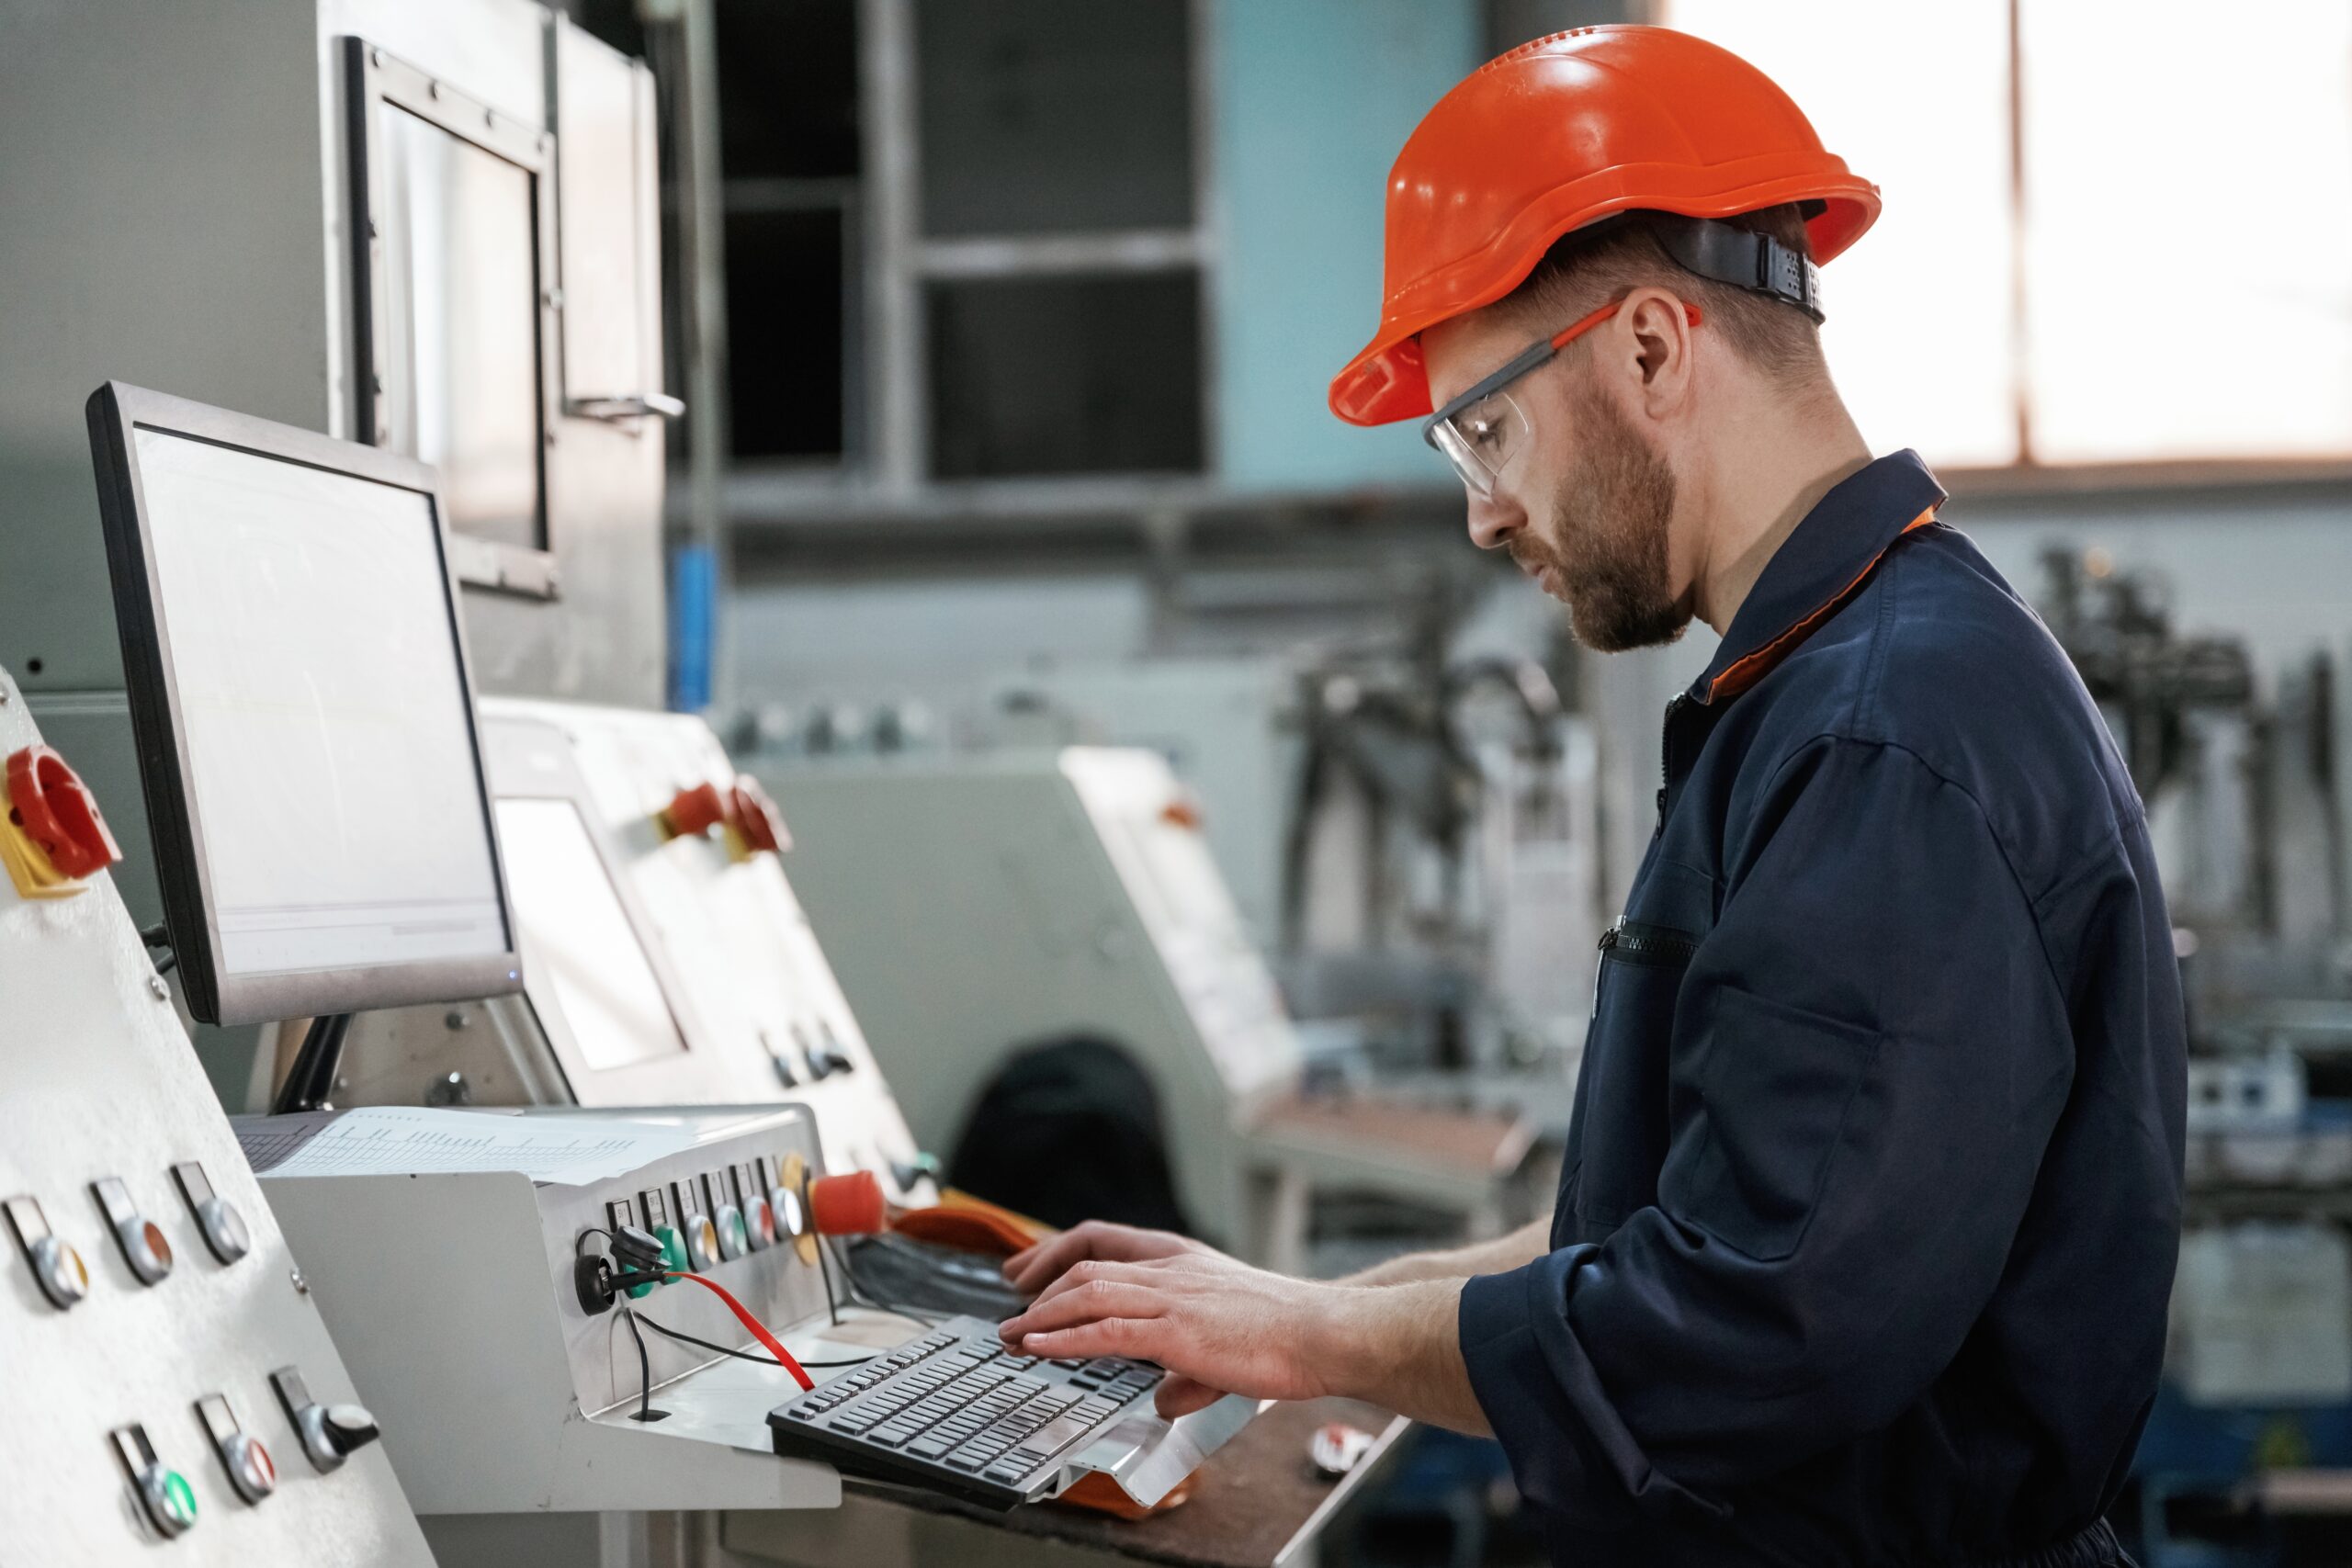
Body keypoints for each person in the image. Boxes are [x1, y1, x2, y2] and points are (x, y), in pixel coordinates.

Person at [996, 25, 2186, 1567]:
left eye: (1485, 430)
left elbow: (1750, 1325)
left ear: (1647, 348)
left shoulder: (1884, 736)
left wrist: (1305, 1345)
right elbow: (1648, 1237)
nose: (1483, 514)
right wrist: (1282, 1308)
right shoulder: (1823, 688)